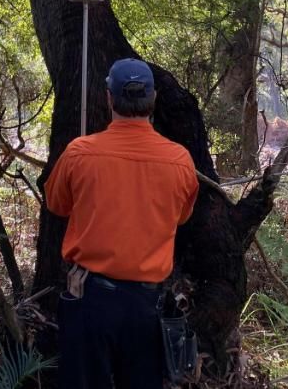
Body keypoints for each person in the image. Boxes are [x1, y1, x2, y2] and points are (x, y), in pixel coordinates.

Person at [45, 58, 199, 389]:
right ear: (153, 100)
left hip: (89, 303)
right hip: (146, 309)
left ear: (109, 99)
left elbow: (56, 204)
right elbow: (182, 216)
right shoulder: (179, 161)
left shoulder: (79, 153)